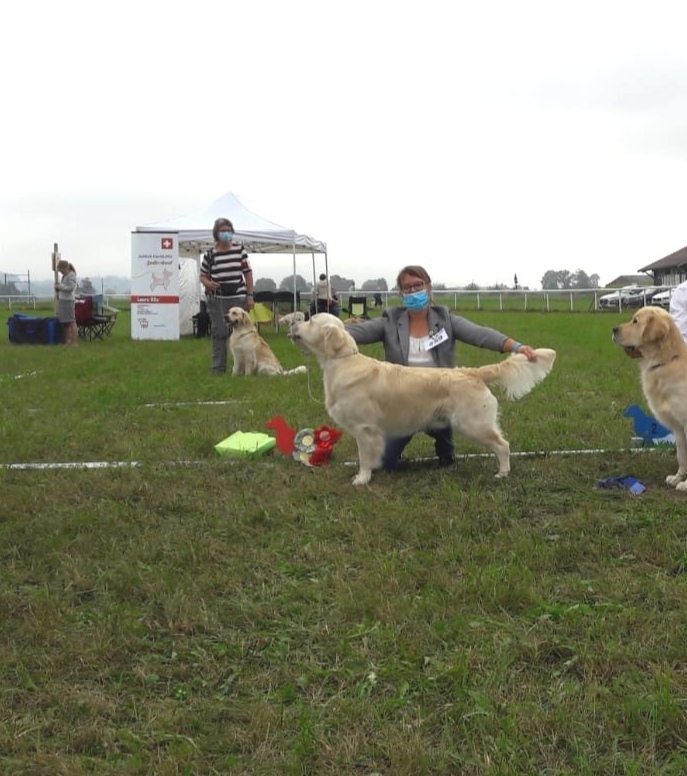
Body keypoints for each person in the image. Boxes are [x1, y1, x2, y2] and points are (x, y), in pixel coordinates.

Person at [344, 265, 539, 471]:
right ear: (400, 293)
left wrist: (516, 347)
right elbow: (356, 331)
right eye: (407, 288)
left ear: (428, 287)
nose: (413, 291)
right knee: (384, 463)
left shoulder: (445, 319)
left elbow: (480, 334)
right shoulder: (390, 321)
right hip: (402, 403)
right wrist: (321, 329)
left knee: (451, 446)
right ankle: (430, 440)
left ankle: (445, 443)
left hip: (442, 394)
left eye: (417, 285)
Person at [200, 218, 254, 374]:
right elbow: (202, 276)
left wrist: (250, 296)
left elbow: (248, 274)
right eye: (223, 230)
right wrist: (207, 283)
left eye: (229, 230)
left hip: (238, 297)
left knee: (243, 332)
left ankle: (245, 367)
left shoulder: (240, 250)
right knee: (219, 333)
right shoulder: (210, 254)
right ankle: (218, 368)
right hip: (217, 299)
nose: (226, 233)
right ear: (216, 233)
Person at [55, 259, 78, 345]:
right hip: (63, 300)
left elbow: (70, 288)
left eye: (61, 270)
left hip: (68, 301)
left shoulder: (72, 276)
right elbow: (64, 287)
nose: (61, 272)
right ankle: (67, 341)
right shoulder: (64, 277)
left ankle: (74, 342)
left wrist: (59, 287)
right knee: (65, 322)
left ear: (66, 268)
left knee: (71, 321)